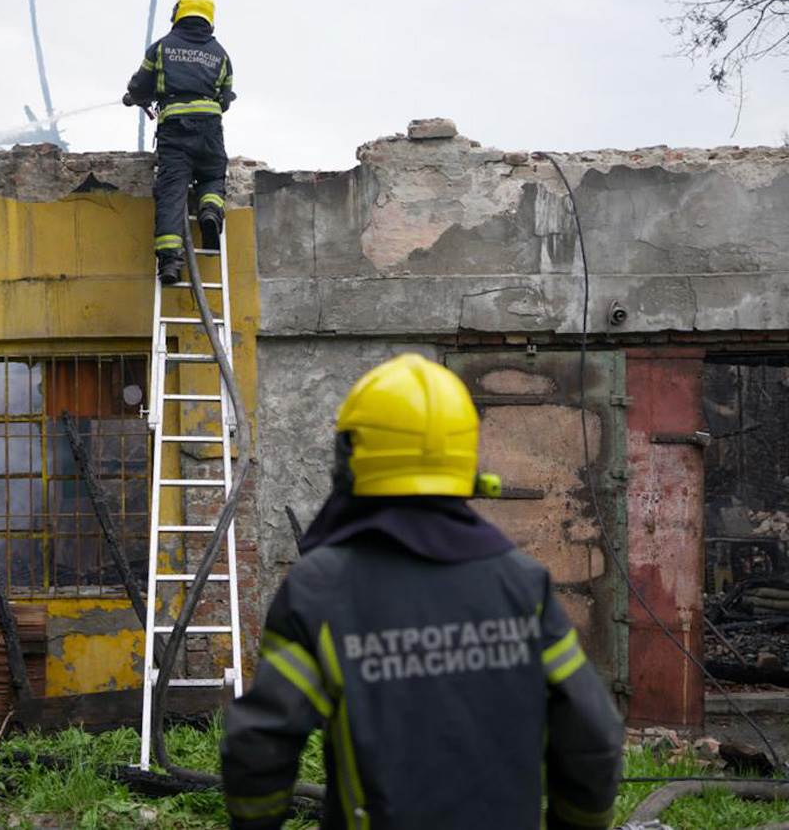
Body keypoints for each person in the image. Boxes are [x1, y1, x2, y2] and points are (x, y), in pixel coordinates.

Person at [219, 354, 624, 829]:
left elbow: (259, 745)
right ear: (466, 456)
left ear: (353, 456)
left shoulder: (320, 591)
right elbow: (593, 735)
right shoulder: (522, 585)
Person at [124, 0, 234, 285]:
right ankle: (210, 211)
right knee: (212, 176)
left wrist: (133, 96)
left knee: (172, 191)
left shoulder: (162, 48)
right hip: (210, 129)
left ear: (179, 12)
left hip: (175, 130)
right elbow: (226, 96)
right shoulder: (220, 54)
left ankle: (170, 262)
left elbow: (141, 85)